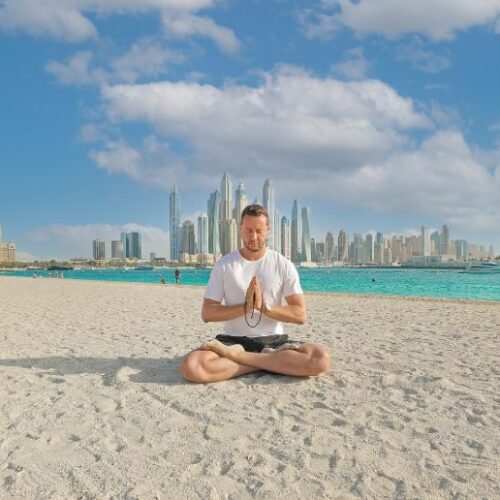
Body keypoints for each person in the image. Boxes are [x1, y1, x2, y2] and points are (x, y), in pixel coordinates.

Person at [180, 204, 330, 383]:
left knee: (320, 359)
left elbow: (300, 314)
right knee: (192, 367)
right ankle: (269, 363)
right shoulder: (224, 265)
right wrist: (246, 308)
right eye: (248, 230)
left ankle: (241, 358)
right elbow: (208, 313)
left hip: (273, 342)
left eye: (259, 230)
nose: (253, 236)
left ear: (268, 230)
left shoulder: (283, 265)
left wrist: (263, 308)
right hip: (232, 340)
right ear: (240, 229)